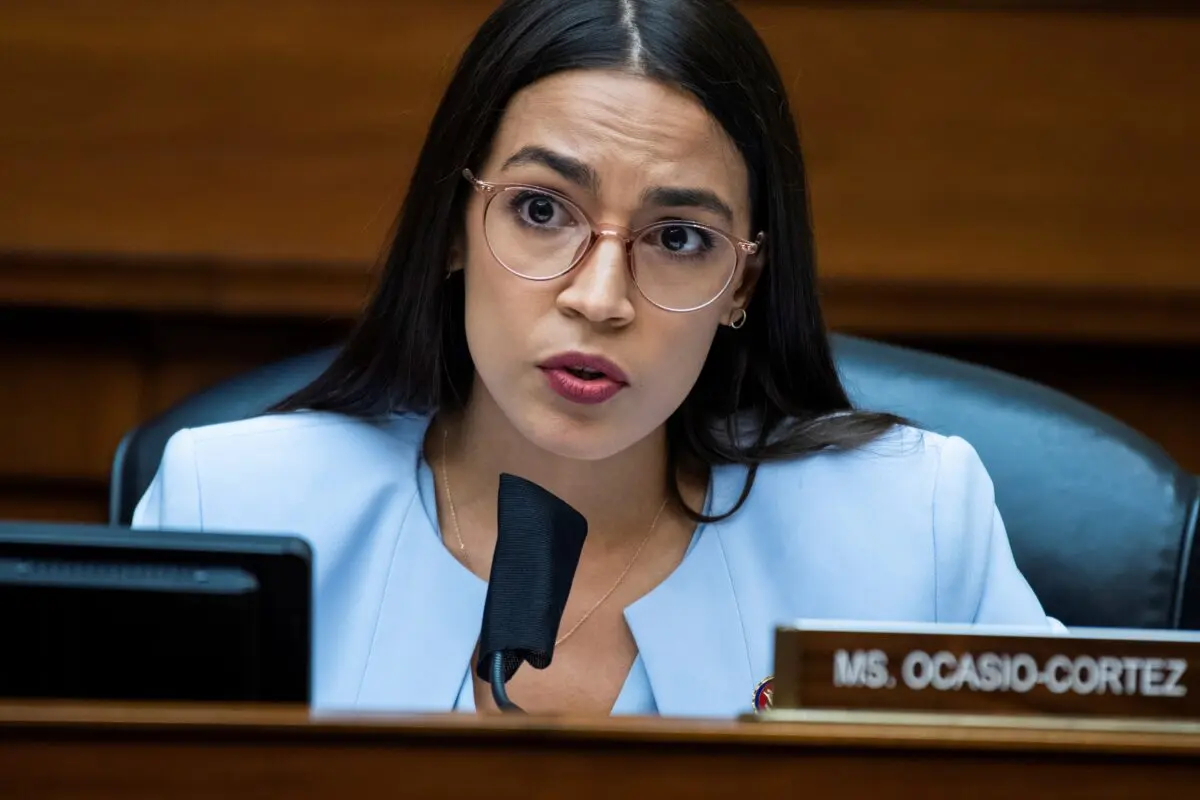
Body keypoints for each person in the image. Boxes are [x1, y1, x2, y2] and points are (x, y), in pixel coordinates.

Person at [132, 0, 1056, 717]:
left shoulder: (912, 531)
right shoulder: (233, 507)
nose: (600, 297)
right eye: (541, 211)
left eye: (680, 236)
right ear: (454, 227)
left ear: (744, 283)